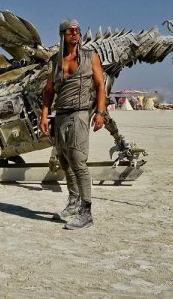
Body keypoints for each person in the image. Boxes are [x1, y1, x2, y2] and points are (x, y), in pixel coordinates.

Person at [39, 19, 107, 230]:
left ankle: (86, 213)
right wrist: (44, 114)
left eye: (77, 30)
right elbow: (49, 91)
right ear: (62, 34)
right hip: (60, 115)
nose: (75, 33)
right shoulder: (55, 61)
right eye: (71, 31)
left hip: (79, 114)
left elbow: (100, 86)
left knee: (78, 161)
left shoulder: (90, 57)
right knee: (65, 161)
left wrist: (101, 112)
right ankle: (73, 202)